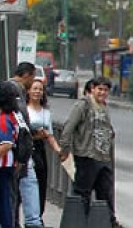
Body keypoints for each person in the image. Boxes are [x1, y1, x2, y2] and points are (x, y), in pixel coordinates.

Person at [59, 77, 120, 228]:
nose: (102, 93)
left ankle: (109, 223)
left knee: (106, 194)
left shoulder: (104, 107)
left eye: (105, 90)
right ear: (92, 89)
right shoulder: (83, 105)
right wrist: (65, 149)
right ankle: (80, 222)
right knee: (82, 195)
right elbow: (68, 128)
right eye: (99, 89)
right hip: (86, 156)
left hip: (103, 158)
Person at [4, 62, 44, 228]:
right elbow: (21, 127)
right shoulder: (15, 91)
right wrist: (22, 155)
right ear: (27, 75)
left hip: (18, 153)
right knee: (19, 191)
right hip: (18, 153)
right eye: (33, 77)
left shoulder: (11, 88)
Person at [27, 78, 61, 221]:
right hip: (26, 149)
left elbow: (50, 135)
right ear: (28, 91)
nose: (37, 92)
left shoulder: (46, 112)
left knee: (41, 183)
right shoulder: (24, 110)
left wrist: (59, 151)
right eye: (34, 88)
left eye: (40, 89)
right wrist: (35, 136)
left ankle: (38, 217)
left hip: (40, 151)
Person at [0, 82, 21, 228]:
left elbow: (6, 144)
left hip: (2, 164)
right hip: (9, 163)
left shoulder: (4, 119)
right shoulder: (14, 115)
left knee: (3, 199)